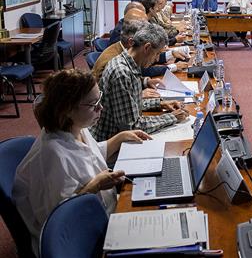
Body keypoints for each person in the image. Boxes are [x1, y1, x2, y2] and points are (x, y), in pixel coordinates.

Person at [13, 69, 152, 255]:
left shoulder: (75, 127)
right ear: (68, 109)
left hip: (103, 211)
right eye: (93, 104)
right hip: (78, 238)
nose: (100, 108)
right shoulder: (53, 155)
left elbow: (90, 155)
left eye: (99, 99)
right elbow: (59, 217)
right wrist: (94, 186)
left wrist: (119, 138)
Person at [90, 23, 189, 141]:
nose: (157, 59)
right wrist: (172, 117)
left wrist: (159, 104)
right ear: (146, 47)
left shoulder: (129, 62)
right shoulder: (122, 73)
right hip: (111, 143)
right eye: (157, 53)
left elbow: (130, 106)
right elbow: (131, 126)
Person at [92, 17, 188, 87]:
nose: (157, 58)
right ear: (132, 41)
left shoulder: (127, 53)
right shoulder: (118, 66)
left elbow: (134, 76)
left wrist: (145, 82)